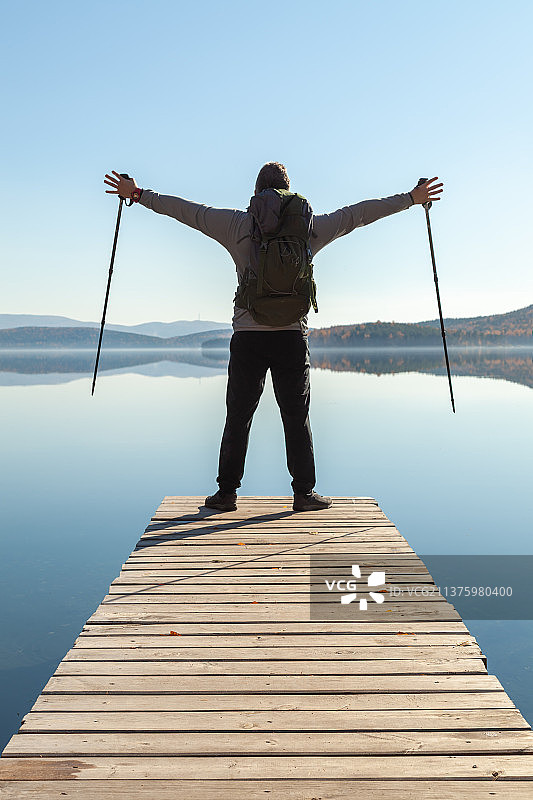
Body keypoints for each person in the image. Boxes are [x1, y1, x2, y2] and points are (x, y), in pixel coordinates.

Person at [104, 165, 443, 512]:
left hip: (248, 337)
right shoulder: (309, 225)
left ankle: (226, 494)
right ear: (288, 191)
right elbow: (358, 214)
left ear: (257, 191)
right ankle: (303, 493)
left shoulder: (236, 223)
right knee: (296, 416)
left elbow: (187, 211)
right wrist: (411, 199)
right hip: (291, 337)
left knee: (238, 416)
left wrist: (137, 194)